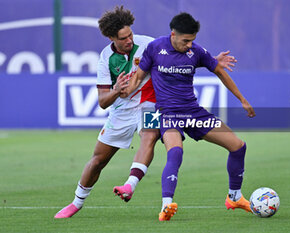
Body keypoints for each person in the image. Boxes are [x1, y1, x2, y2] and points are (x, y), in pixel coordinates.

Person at [54, 6, 236, 218]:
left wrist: (212, 60)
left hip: (151, 104)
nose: (129, 40)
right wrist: (115, 91)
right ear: (112, 37)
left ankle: (130, 185)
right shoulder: (105, 59)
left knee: (149, 134)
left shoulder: (148, 44)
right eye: (123, 38)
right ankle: (76, 202)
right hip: (121, 111)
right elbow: (103, 102)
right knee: (98, 160)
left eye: (130, 34)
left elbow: (182, 50)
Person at [124, 12, 256, 221]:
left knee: (238, 146)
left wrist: (242, 99)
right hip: (168, 114)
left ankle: (235, 197)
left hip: (193, 112)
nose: (189, 45)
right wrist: (123, 90)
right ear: (173, 34)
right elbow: (138, 77)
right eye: (186, 41)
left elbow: (219, 70)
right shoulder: (155, 48)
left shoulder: (196, 51)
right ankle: (166, 205)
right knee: (175, 152)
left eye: (192, 41)